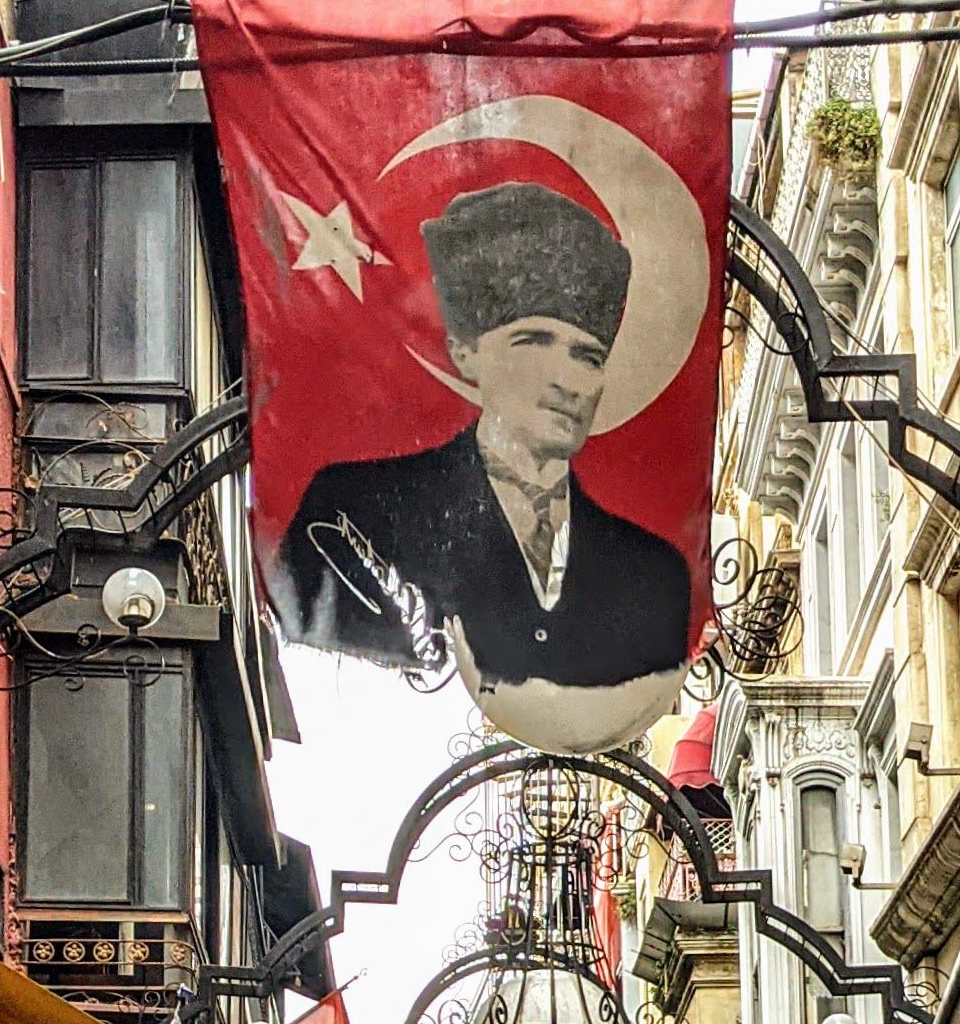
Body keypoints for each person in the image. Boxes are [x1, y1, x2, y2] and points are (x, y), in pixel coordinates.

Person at [273, 182, 694, 750]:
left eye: (587, 356)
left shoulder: (655, 571)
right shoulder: (353, 508)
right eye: (533, 341)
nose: (567, 381)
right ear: (466, 353)